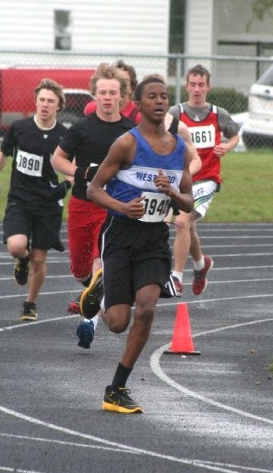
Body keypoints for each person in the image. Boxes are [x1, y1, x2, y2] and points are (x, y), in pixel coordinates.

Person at [82, 75, 193, 413]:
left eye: (164, 97)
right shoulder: (126, 144)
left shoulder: (180, 149)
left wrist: (172, 193)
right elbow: (93, 189)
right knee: (117, 323)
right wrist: (121, 206)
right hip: (120, 233)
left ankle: (116, 389)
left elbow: (189, 203)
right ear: (140, 104)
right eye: (152, 97)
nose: (159, 102)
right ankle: (100, 287)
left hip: (154, 237)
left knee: (146, 308)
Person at [51, 63, 135, 348]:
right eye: (103, 92)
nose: (108, 97)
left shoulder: (131, 131)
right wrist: (80, 172)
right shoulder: (82, 128)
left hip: (112, 207)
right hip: (81, 204)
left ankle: (89, 322)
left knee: (102, 262)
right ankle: (90, 292)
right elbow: (57, 159)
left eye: (113, 92)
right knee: (80, 270)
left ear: (122, 96)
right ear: (94, 96)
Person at [0, 78, 70, 321]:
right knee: (16, 246)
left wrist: (65, 185)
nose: (45, 105)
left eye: (51, 101)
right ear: (36, 102)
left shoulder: (64, 135)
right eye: (42, 100)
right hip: (20, 199)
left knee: (40, 257)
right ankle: (21, 260)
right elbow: (3, 152)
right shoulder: (20, 127)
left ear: (59, 106)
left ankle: (30, 303)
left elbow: (72, 167)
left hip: (48, 204)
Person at [168, 64, 240, 296]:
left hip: (207, 178)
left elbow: (235, 134)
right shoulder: (175, 113)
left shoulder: (219, 114)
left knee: (181, 222)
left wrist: (227, 146)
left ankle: (175, 278)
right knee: (187, 225)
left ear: (208, 87)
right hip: (182, 178)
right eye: (192, 84)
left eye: (201, 85)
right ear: (186, 86)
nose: (197, 89)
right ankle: (200, 264)